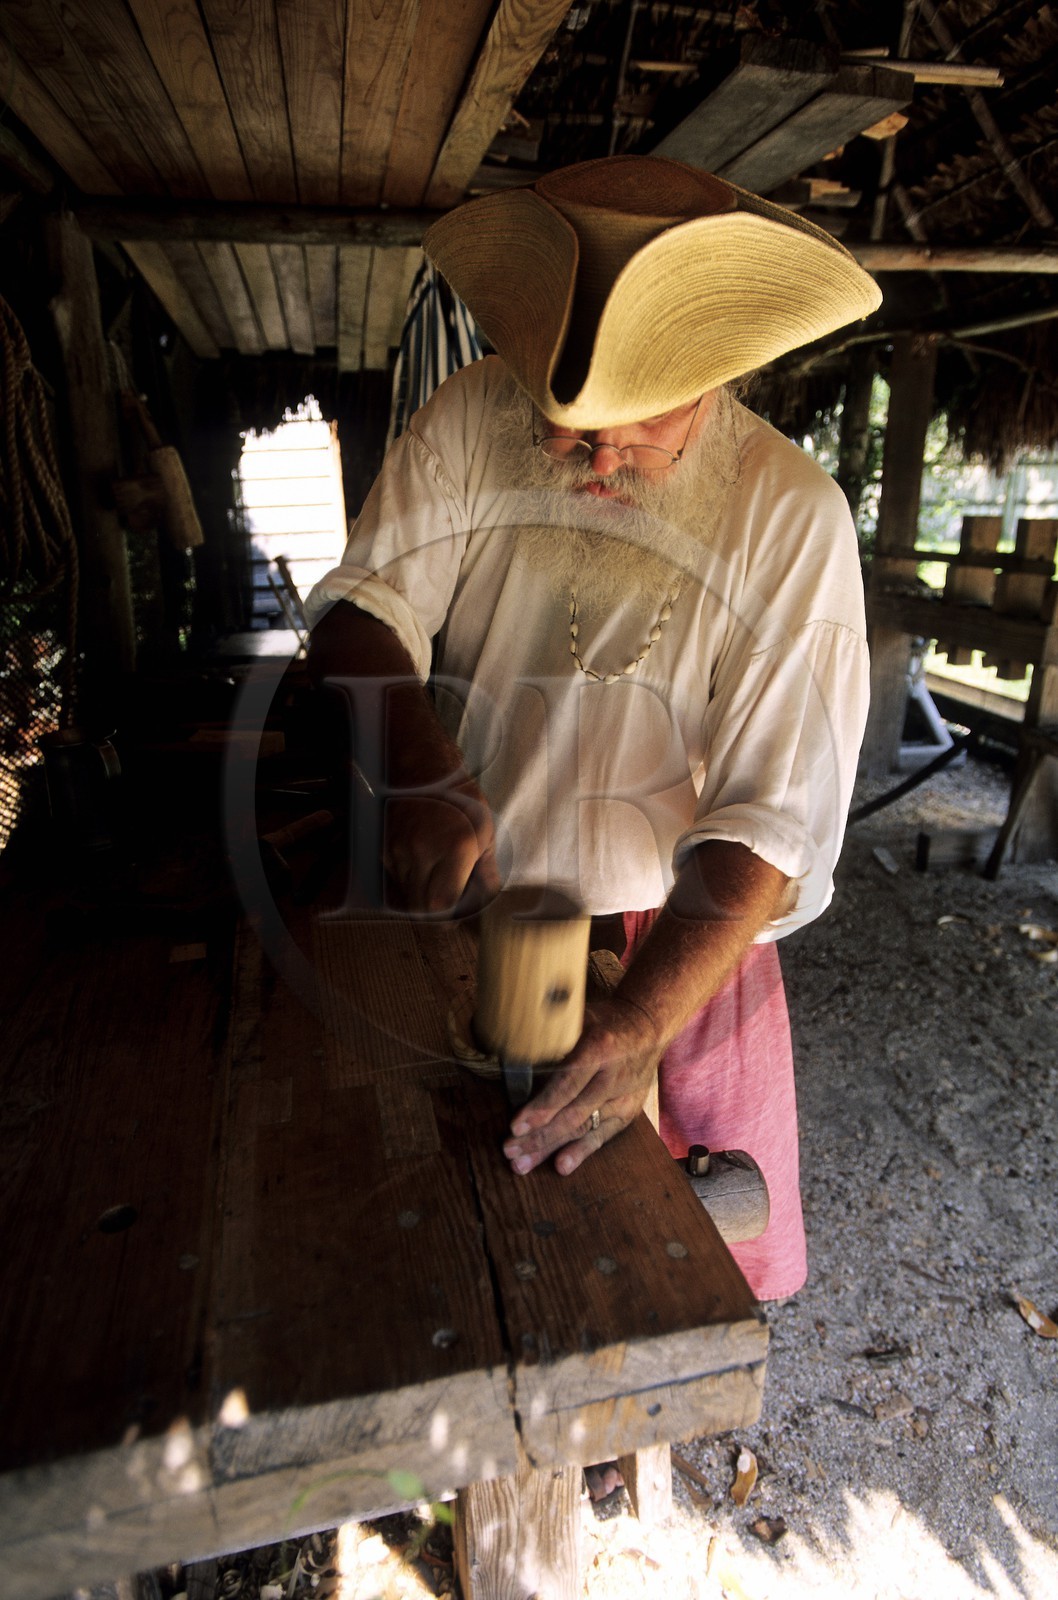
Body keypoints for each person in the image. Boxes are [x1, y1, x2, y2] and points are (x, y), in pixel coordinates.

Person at [306, 156, 879, 1304]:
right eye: (569, 430)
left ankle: (629, 1449)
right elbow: (364, 608)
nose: (600, 458)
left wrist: (638, 1019)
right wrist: (417, 768)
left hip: (676, 945)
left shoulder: (790, 517)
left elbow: (771, 819)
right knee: (460, 1233)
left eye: (638, 427)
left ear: (716, 373)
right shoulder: (472, 414)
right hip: (473, 902)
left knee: (660, 1260)